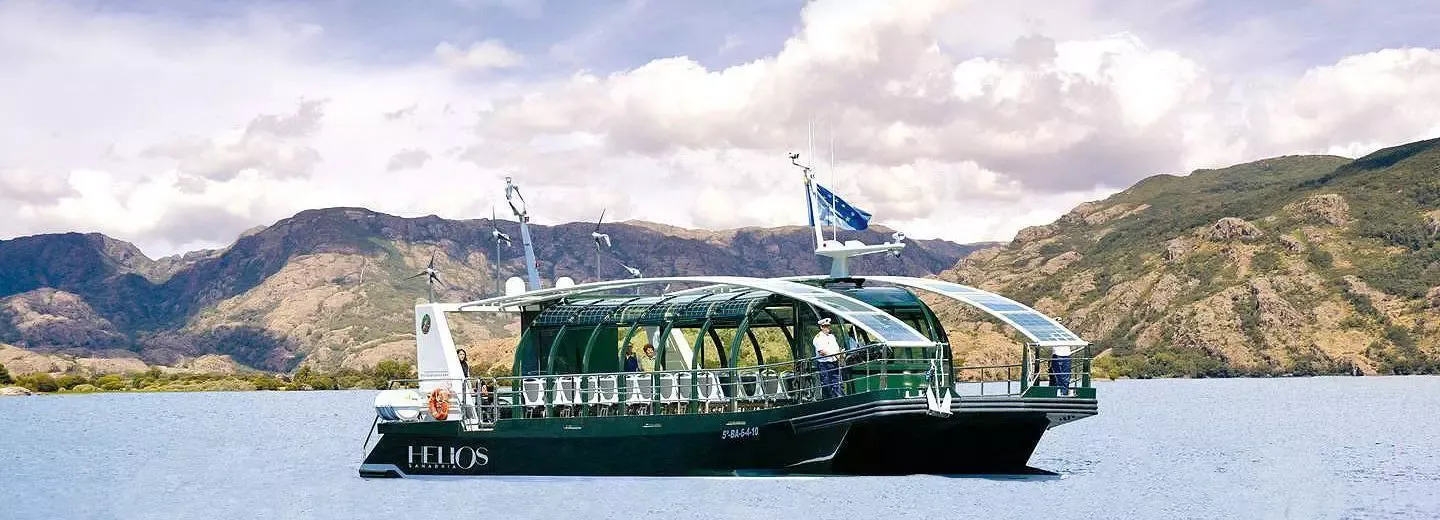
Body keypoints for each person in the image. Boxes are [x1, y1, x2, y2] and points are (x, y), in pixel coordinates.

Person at [813, 318, 843, 399]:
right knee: (826, 384)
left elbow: (837, 348)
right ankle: (827, 402)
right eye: (825, 326)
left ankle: (840, 400)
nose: (827, 328)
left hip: (834, 363)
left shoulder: (832, 337)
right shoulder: (818, 338)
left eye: (828, 326)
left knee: (838, 383)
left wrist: (839, 356)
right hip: (824, 364)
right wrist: (834, 354)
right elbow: (822, 352)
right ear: (821, 327)